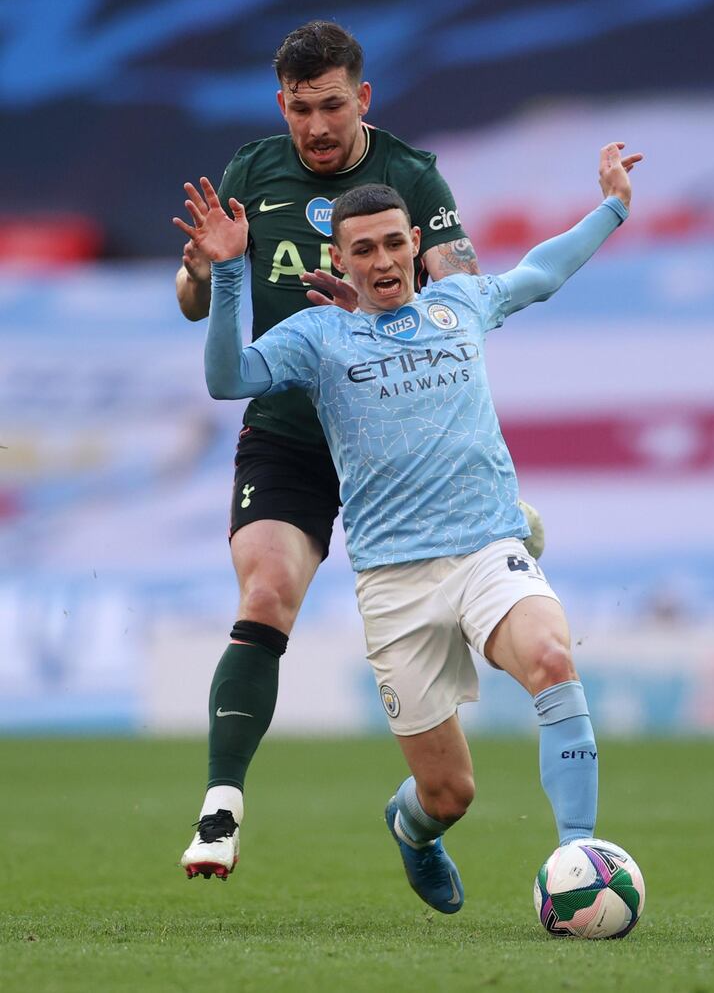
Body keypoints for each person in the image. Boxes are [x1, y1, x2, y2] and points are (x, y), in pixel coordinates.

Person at [173, 139, 642, 910]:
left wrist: (613, 206)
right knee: (449, 791)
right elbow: (227, 378)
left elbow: (542, 273)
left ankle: (576, 856)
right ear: (341, 258)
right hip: (395, 583)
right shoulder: (318, 339)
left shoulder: (460, 303)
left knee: (554, 657)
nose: (384, 259)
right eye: (365, 248)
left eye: (396, 242)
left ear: (417, 244)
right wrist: (228, 273)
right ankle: (412, 828)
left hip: (488, 548)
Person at [175, 20, 543, 878]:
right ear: (282, 105)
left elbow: (461, 295)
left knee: (452, 787)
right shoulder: (249, 172)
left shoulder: (411, 175)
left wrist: (383, 311)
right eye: (300, 109)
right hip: (291, 436)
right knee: (265, 591)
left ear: (362, 98)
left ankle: (421, 819)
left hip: (398, 438)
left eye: (332, 105)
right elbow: (196, 301)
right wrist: (202, 269)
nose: (316, 126)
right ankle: (221, 808)